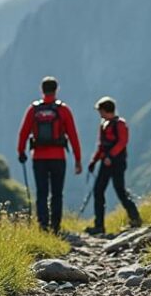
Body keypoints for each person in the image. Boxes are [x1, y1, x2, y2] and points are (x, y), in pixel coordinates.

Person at [16, 76, 82, 233]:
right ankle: (56, 227)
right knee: (57, 193)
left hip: (38, 157)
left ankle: (43, 226)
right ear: (56, 89)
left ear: (41, 90)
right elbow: (73, 135)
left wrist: (21, 152)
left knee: (41, 193)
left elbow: (23, 133)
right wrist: (78, 159)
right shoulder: (63, 110)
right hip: (58, 157)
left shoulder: (34, 109)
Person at [87, 97, 142, 235]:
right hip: (106, 162)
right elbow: (101, 145)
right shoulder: (104, 124)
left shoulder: (120, 124)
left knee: (120, 190)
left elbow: (123, 142)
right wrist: (94, 161)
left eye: (100, 110)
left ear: (105, 110)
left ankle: (135, 218)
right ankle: (99, 225)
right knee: (98, 191)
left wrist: (110, 156)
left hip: (117, 163)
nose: (99, 113)